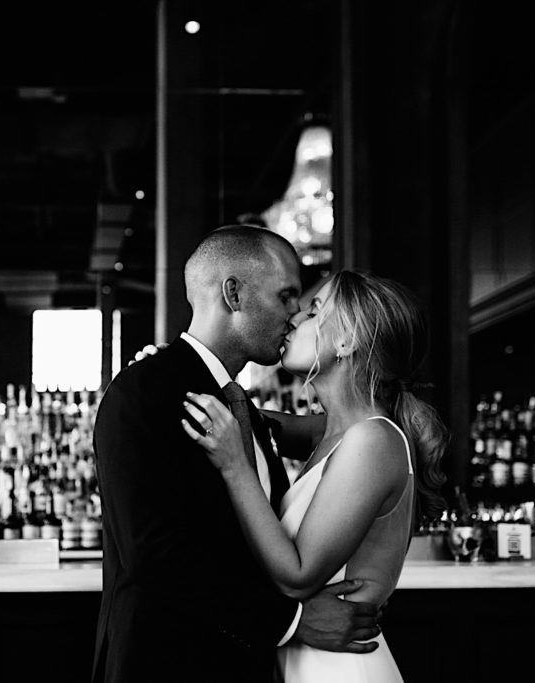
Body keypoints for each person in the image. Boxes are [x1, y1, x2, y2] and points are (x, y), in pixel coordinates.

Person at [92, 226, 383, 683]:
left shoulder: (237, 405)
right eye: (286, 295)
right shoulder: (143, 392)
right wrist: (291, 622)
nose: (295, 313)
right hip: (165, 667)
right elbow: (155, 557)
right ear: (234, 294)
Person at [181, 270, 448, 681]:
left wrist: (236, 466)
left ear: (346, 341)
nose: (294, 320)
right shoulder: (335, 433)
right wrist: (175, 379)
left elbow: (298, 575)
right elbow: (244, 416)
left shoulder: (373, 441)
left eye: (313, 312)